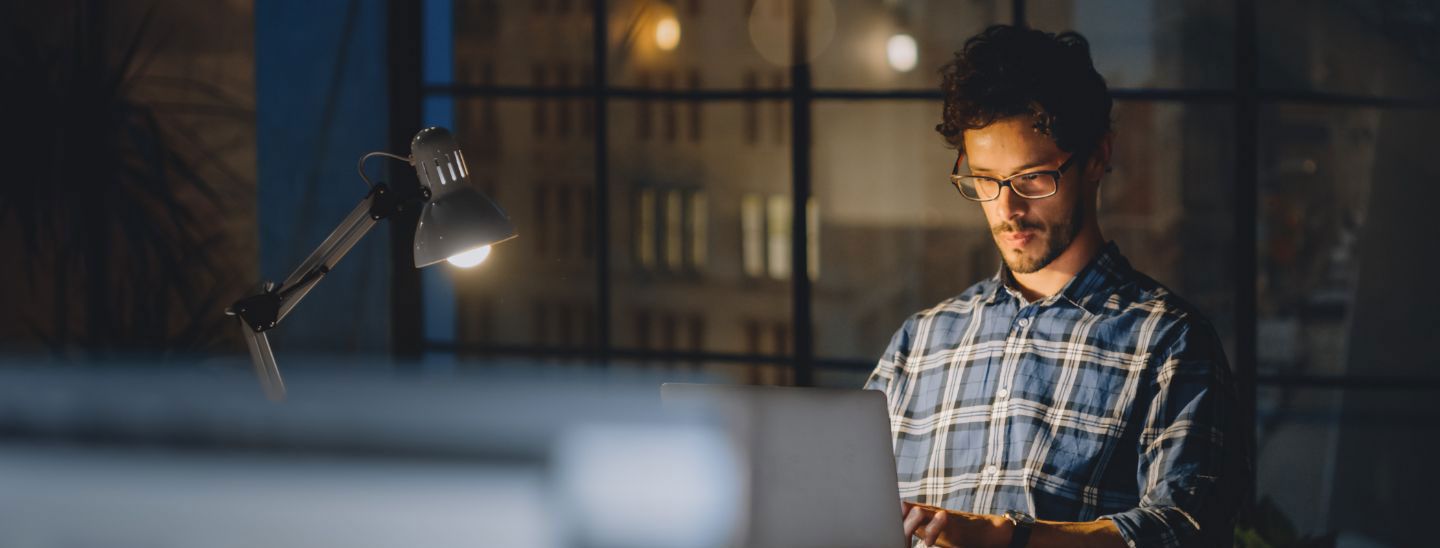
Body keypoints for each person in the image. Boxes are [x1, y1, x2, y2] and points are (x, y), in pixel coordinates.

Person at [864, 25, 1249, 548]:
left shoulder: (1169, 342)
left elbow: (1185, 531)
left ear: (1096, 157)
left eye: (1032, 178)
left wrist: (1007, 540)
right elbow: (846, 508)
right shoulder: (921, 343)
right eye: (985, 179)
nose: (1007, 209)